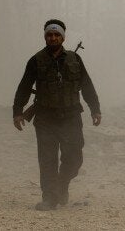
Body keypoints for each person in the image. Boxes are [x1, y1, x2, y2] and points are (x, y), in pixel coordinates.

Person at [13, 19, 101, 211]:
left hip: (71, 117)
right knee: (47, 160)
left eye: (56, 34)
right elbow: (24, 87)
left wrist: (95, 109)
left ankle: (62, 184)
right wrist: (17, 112)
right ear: (45, 37)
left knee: (74, 158)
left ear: (63, 37)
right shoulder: (36, 60)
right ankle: (50, 198)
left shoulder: (75, 59)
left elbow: (86, 85)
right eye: (49, 35)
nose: (52, 38)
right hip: (46, 118)